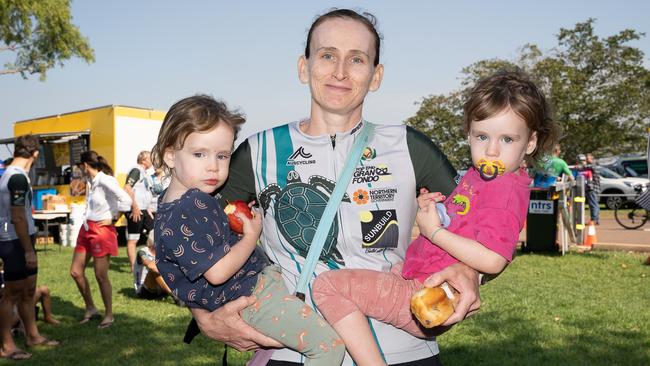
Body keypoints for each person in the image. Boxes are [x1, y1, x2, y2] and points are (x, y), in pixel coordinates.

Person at [191, 9, 481, 365]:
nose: (340, 71)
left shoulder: (409, 146)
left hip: (403, 350)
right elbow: (189, 233)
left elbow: (482, 227)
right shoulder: (257, 151)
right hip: (291, 352)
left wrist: (470, 273)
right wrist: (202, 314)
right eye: (327, 55)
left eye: (357, 59)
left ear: (376, 76)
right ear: (304, 67)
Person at [312, 70, 559, 365]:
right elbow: (465, 221)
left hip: (424, 294)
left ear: (530, 143)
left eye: (507, 139)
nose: (491, 150)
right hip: (416, 277)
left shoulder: (505, 192)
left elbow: (494, 258)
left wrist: (434, 233)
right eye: (482, 136)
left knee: (327, 286)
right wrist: (436, 210)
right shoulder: (483, 178)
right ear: (468, 133)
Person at [152, 95, 345, 365]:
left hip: (245, 297)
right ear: (170, 155)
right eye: (199, 154)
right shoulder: (193, 204)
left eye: (222, 156)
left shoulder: (167, 206)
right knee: (329, 347)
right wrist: (251, 235)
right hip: (253, 295)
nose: (213, 166)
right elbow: (218, 272)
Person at [0, 134, 60, 361]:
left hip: (22, 239)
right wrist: (27, 250)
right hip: (14, 241)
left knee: (27, 290)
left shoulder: (15, 175)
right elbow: (17, 217)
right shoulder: (16, 178)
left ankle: (33, 335)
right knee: (11, 294)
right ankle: (7, 345)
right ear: (35, 154)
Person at [69, 151, 132, 329]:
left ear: (85, 165)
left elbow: (126, 200)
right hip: (86, 228)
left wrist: (114, 218)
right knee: (75, 271)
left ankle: (109, 314)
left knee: (100, 275)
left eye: (80, 167)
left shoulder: (105, 180)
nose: (80, 170)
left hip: (101, 231)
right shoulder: (91, 181)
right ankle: (90, 308)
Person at [124, 151, 155, 272]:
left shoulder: (145, 173)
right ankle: (133, 267)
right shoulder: (136, 170)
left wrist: (148, 208)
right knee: (133, 239)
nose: (152, 160)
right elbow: (127, 188)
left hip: (144, 210)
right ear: (143, 160)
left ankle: (150, 258)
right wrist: (134, 207)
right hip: (135, 209)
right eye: (150, 158)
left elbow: (145, 193)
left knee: (154, 233)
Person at [133, 231, 172, 299]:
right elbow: (150, 265)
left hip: (160, 289)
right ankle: (175, 296)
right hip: (144, 290)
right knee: (153, 269)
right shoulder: (142, 252)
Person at [585, 153, 601, 224]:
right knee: (595, 204)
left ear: (592, 158)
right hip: (595, 189)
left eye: (587, 158)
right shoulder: (594, 165)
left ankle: (593, 220)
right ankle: (596, 220)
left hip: (593, 188)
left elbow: (584, 167)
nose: (586, 160)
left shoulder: (593, 166)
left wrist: (577, 167)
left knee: (593, 204)